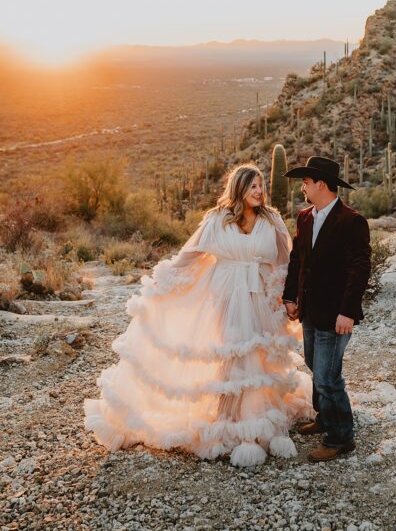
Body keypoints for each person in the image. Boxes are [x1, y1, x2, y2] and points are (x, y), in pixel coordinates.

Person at [84, 164, 313, 467]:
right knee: (231, 354)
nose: (260, 191)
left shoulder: (271, 221)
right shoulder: (217, 220)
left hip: (257, 296)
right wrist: (163, 282)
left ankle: (254, 419)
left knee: (256, 357)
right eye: (253, 186)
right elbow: (190, 256)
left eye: (261, 186)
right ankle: (225, 419)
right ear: (239, 188)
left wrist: (287, 296)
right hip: (225, 297)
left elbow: (286, 261)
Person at [281, 156, 371, 462]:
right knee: (314, 364)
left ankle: (341, 437)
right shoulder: (305, 217)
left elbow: (360, 269)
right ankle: (324, 417)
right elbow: (298, 261)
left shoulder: (351, 220)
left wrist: (348, 311)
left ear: (321, 185)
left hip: (336, 314)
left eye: (306, 182)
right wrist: (291, 297)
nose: (303, 186)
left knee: (327, 377)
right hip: (310, 310)